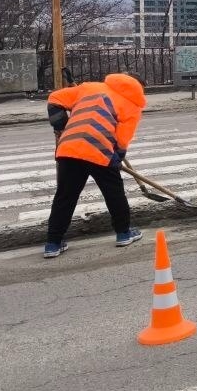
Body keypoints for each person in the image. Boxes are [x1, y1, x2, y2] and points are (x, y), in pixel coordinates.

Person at [43, 72, 147, 258]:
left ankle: (53, 243)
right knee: (114, 193)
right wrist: (117, 156)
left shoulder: (89, 87)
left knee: (65, 196)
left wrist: (62, 127)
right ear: (139, 88)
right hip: (99, 151)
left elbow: (54, 99)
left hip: (70, 147)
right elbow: (122, 140)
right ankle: (123, 233)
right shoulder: (133, 105)